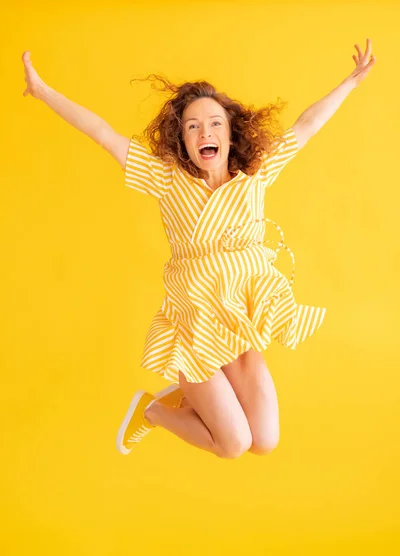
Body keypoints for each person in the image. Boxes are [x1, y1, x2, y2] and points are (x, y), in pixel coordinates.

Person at [21, 41, 375, 460]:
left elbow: (306, 126)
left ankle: (190, 400)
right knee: (234, 444)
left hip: (238, 324)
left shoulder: (255, 174)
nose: (204, 132)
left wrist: (349, 84)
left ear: (231, 133)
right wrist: (43, 91)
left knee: (265, 441)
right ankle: (152, 410)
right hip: (193, 328)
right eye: (192, 127)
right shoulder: (166, 180)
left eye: (214, 124)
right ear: (182, 140)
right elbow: (104, 135)